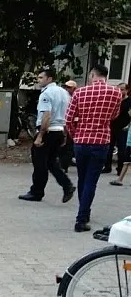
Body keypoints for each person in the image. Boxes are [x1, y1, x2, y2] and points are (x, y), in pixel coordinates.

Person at [65, 65, 123, 232]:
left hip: (81, 141)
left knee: (82, 178)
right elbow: (114, 115)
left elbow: (69, 118)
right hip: (101, 141)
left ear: (92, 75)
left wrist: (75, 135)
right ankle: (82, 218)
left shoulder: (80, 92)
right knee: (91, 181)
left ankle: (83, 212)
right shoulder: (116, 93)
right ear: (106, 76)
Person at [18, 69, 75, 203]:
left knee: (39, 163)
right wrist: (65, 134)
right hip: (59, 130)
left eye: (41, 78)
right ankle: (67, 185)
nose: (39, 80)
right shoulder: (64, 93)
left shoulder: (47, 93)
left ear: (49, 79)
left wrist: (40, 135)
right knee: (51, 162)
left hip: (48, 131)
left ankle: (36, 192)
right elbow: (67, 115)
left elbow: (46, 115)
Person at [105, 83, 131, 174]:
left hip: (123, 129)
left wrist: (128, 126)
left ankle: (120, 169)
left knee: (121, 149)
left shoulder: (129, 101)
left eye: (122, 89)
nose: (120, 91)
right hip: (112, 127)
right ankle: (107, 167)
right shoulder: (115, 100)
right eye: (118, 89)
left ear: (127, 90)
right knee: (109, 148)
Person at [60, 80, 78, 173]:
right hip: (63, 122)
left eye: (69, 87)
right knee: (63, 144)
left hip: (72, 124)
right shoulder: (63, 96)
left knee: (68, 145)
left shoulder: (76, 97)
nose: (66, 89)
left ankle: (65, 165)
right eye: (66, 87)